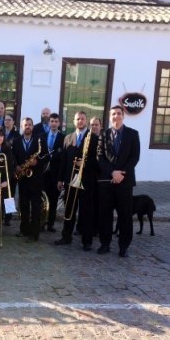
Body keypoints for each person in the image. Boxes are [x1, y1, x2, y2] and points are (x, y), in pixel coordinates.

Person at [96, 105, 140, 257]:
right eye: (113, 114)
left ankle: (123, 246)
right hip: (107, 182)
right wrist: (112, 172)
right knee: (105, 214)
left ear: (123, 116)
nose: (116, 116)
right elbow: (100, 157)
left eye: (119, 113)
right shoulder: (104, 134)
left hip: (125, 182)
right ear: (110, 117)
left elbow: (134, 157)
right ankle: (105, 243)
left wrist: (121, 174)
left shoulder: (133, 134)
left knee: (125, 215)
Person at [55, 111, 97, 251]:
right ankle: (66, 236)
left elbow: (97, 161)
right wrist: (60, 179)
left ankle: (87, 240)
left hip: (86, 181)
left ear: (86, 121)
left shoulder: (94, 138)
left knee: (86, 212)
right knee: (69, 210)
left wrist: (84, 164)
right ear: (74, 121)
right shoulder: (68, 138)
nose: (80, 121)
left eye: (82, 119)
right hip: (70, 180)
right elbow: (63, 162)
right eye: (77, 119)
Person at [12, 118, 48, 242]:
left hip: (36, 179)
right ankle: (24, 229)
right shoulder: (16, 141)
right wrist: (16, 166)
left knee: (36, 207)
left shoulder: (40, 140)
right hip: (22, 178)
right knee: (24, 206)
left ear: (33, 126)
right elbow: (13, 157)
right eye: (25, 125)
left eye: (29, 125)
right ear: (21, 127)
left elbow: (46, 156)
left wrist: (37, 162)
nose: (27, 127)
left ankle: (34, 234)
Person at [42, 113, 64, 232]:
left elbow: (63, 157)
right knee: (42, 199)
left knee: (54, 200)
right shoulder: (42, 136)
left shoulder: (63, 138)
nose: (54, 123)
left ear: (59, 123)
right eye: (52, 121)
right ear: (49, 122)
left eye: (56, 121)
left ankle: (50, 224)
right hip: (43, 174)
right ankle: (41, 222)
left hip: (55, 175)